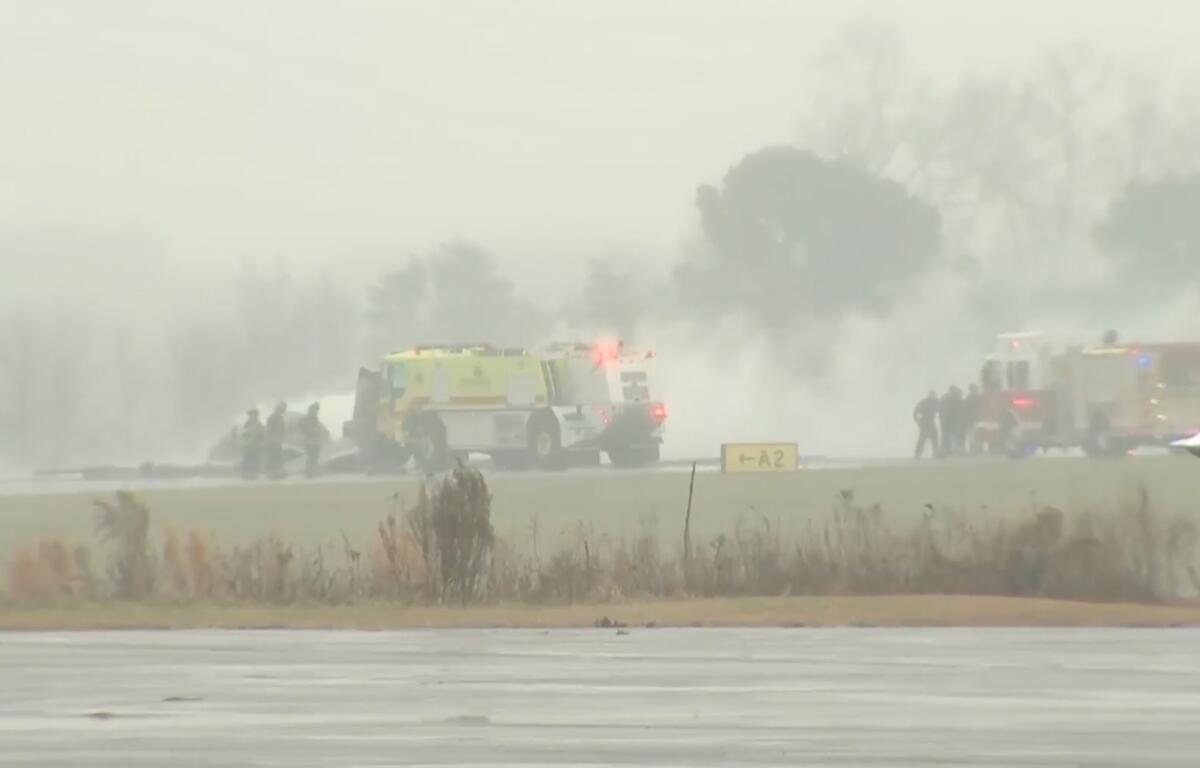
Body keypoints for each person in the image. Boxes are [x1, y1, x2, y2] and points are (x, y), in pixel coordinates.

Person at [913, 390, 940, 459]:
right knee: (923, 437)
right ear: (930, 395)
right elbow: (916, 411)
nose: (934, 396)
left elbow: (939, 408)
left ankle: (935, 453)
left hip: (929, 421)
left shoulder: (934, 401)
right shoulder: (924, 402)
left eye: (934, 395)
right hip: (925, 422)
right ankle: (917, 454)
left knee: (933, 437)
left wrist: (916, 420)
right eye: (933, 395)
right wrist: (916, 420)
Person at [240, 409, 266, 479]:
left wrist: (261, 443)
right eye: (251, 415)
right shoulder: (246, 424)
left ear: (256, 416)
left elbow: (262, 435)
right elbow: (243, 434)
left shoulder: (259, 425)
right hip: (248, 446)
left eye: (254, 415)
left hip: (256, 446)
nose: (252, 417)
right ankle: (246, 475)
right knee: (247, 460)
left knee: (255, 460)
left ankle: (254, 475)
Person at [300, 401, 324, 477]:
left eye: (317, 410)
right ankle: (309, 472)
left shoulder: (314, 418)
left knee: (314, 456)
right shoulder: (308, 418)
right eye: (316, 410)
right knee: (311, 457)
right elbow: (303, 427)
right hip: (310, 441)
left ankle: (312, 471)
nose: (317, 411)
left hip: (314, 441)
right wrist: (311, 431)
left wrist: (317, 430)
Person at [265, 401, 288, 479]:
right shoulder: (273, 417)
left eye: (284, 409)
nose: (283, 410)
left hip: (277, 440)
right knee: (274, 456)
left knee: (277, 456)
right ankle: (272, 473)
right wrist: (270, 438)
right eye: (282, 408)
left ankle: (277, 472)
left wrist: (281, 437)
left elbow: (282, 429)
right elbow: (269, 429)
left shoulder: (279, 417)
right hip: (273, 440)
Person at [940, 385, 965, 457]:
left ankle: (947, 451)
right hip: (951, 420)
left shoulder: (945, 397)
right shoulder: (955, 398)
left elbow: (941, 408)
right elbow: (960, 409)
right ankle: (955, 451)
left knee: (947, 436)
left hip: (947, 420)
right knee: (955, 435)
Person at [963, 383, 982, 455]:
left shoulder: (969, 398)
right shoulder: (977, 398)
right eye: (975, 389)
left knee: (973, 435)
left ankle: (974, 449)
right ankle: (973, 449)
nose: (976, 391)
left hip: (973, 420)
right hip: (973, 420)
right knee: (973, 435)